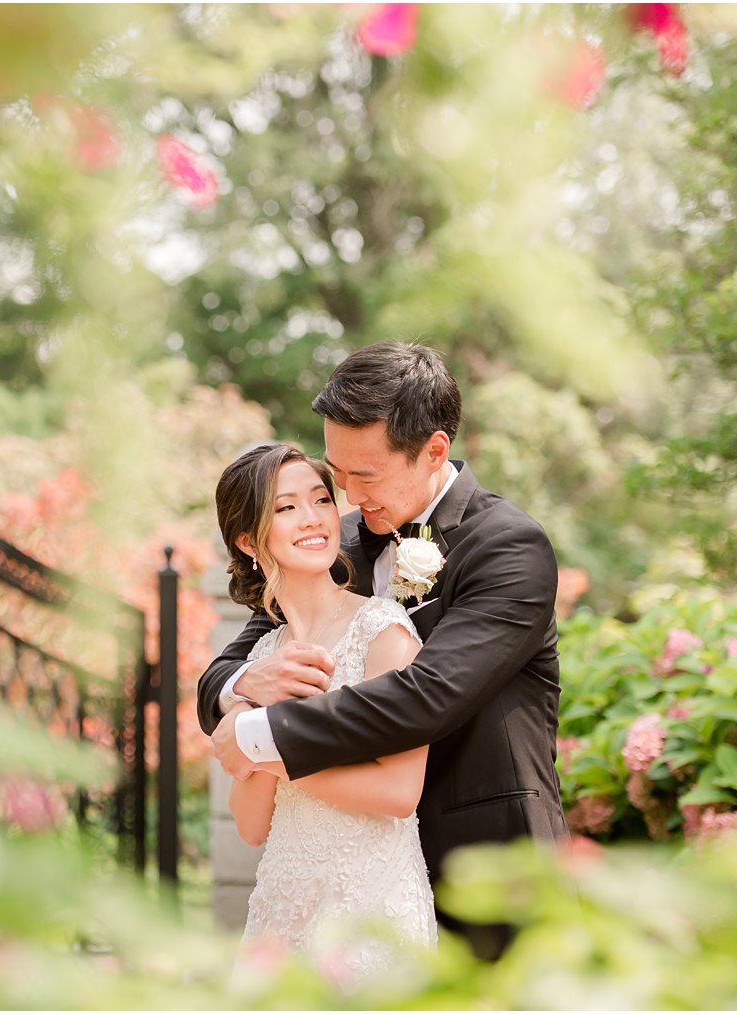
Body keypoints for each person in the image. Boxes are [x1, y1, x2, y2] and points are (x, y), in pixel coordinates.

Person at [198, 340, 569, 961]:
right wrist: (246, 690)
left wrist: (261, 737)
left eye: (362, 475)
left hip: (489, 867)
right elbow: (229, 670)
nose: (342, 493)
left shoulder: (508, 549)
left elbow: (424, 698)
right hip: (349, 882)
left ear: (434, 452)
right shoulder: (336, 541)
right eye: (334, 472)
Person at [214, 442, 437, 978]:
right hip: (284, 903)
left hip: (371, 904)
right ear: (248, 539)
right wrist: (255, 729)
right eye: (286, 508)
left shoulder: (382, 629)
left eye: (320, 499)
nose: (313, 519)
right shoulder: (265, 658)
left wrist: (263, 747)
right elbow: (249, 824)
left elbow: (399, 794)